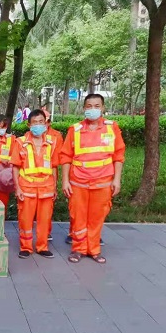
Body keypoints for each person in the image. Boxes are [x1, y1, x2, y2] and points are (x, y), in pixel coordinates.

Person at [60, 94, 125, 264]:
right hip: (78, 181)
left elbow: (119, 155)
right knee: (78, 215)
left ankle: (94, 249)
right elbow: (65, 156)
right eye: (89, 106)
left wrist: (117, 180)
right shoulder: (75, 130)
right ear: (84, 108)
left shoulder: (112, 128)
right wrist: (65, 181)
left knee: (97, 217)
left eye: (97, 106)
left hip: (103, 181)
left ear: (103, 108)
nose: (93, 109)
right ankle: (78, 249)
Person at [11, 109, 59, 259]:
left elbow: (54, 167)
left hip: (46, 187)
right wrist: (17, 188)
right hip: (27, 187)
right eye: (34, 122)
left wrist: (55, 187)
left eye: (41, 122)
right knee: (25, 219)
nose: (38, 125)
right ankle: (25, 247)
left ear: (46, 123)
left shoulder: (52, 142)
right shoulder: (20, 142)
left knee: (45, 219)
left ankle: (42, 247)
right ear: (29, 125)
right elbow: (15, 166)